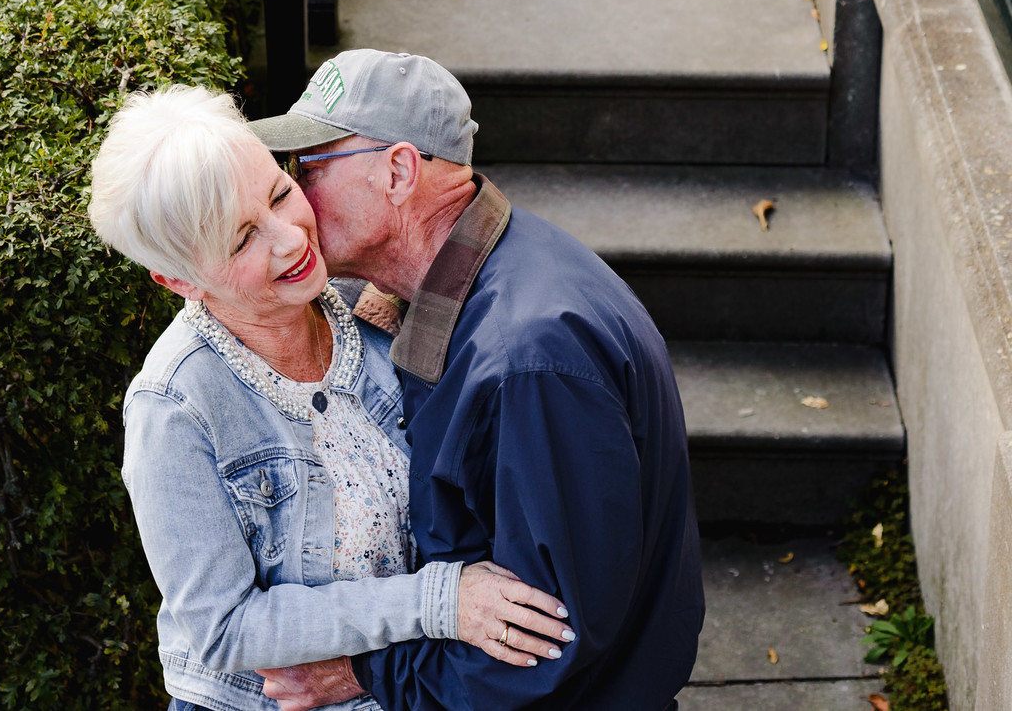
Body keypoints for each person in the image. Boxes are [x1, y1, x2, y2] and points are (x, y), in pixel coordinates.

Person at [88, 86, 575, 711]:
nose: (289, 239)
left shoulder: (371, 307)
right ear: (177, 279)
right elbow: (224, 629)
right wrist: (438, 601)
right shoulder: (174, 408)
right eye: (241, 241)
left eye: (280, 194)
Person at [248, 50, 705, 711]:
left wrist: (363, 674)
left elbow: (547, 642)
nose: (294, 200)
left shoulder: (529, 360)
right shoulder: (489, 274)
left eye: (309, 167)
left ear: (399, 170)